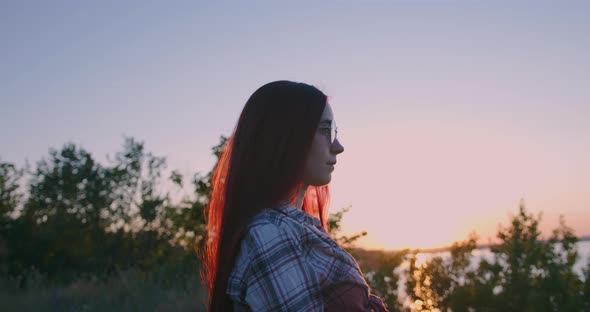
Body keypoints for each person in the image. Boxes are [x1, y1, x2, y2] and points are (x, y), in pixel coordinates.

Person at [201, 80, 388, 311]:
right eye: (324, 130)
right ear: (284, 138)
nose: (338, 146)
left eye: (335, 132)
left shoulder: (289, 228)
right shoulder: (270, 233)